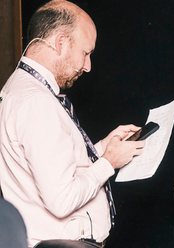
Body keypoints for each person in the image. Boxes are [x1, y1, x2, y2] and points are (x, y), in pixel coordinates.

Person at [0, 0, 145, 247]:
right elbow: (62, 199)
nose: (87, 66)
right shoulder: (36, 102)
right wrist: (109, 162)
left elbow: (55, 166)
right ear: (60, 43)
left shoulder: (22, 89)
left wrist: (101, 148)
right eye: (85, 53)